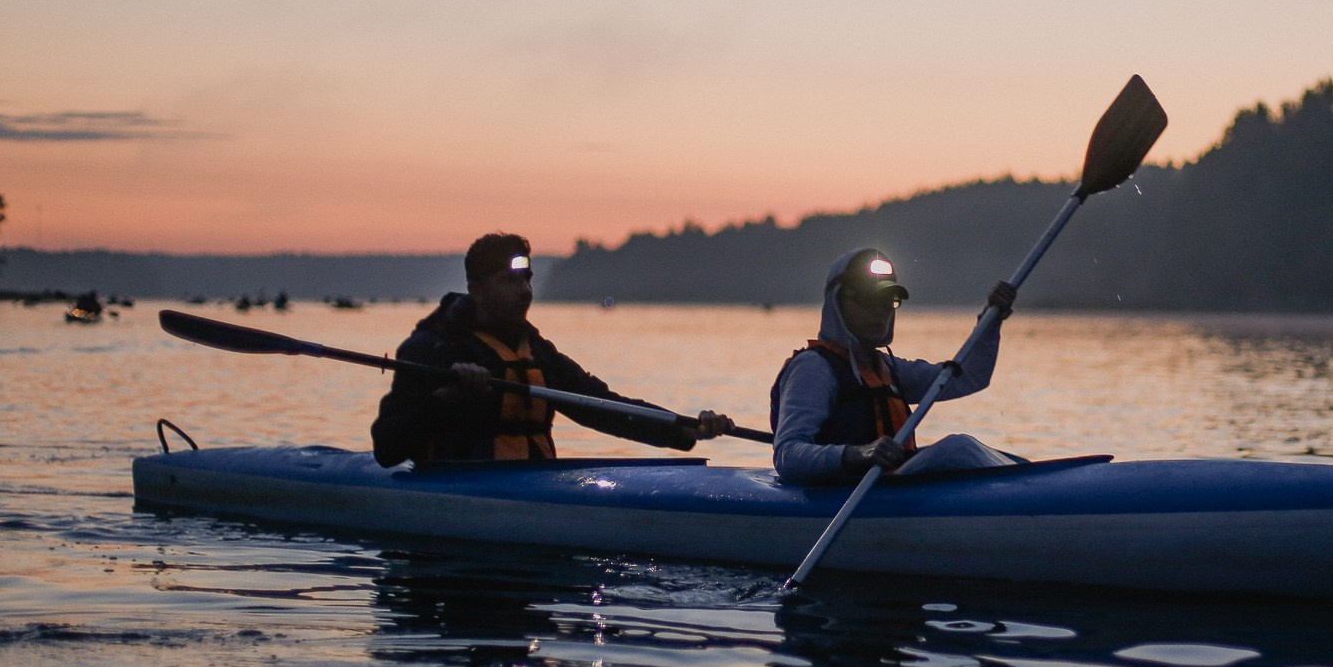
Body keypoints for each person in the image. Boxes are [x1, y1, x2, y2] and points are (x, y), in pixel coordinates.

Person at [372, 232, 733, 466]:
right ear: (476, 288)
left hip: (533, 490)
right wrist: (445, 399)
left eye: (527, 279)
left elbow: (605, 408)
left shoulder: (538, 352)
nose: (525, 291)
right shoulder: (431, 348)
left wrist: (687, 428)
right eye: (509, 280)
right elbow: (386, 448)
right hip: (454, 497)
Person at [768, 247, 1018, 485]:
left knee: (988, 455)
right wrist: (857, 454)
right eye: (869, 299)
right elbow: (788, 455)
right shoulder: (813, 369)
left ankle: (1024, 481)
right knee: (959, 449)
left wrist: (991, 320)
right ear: (837, 303)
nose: (881, 311)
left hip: (889, 486)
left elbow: (971, 377)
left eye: (889, 299)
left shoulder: (889, 369)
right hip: (840, 495)